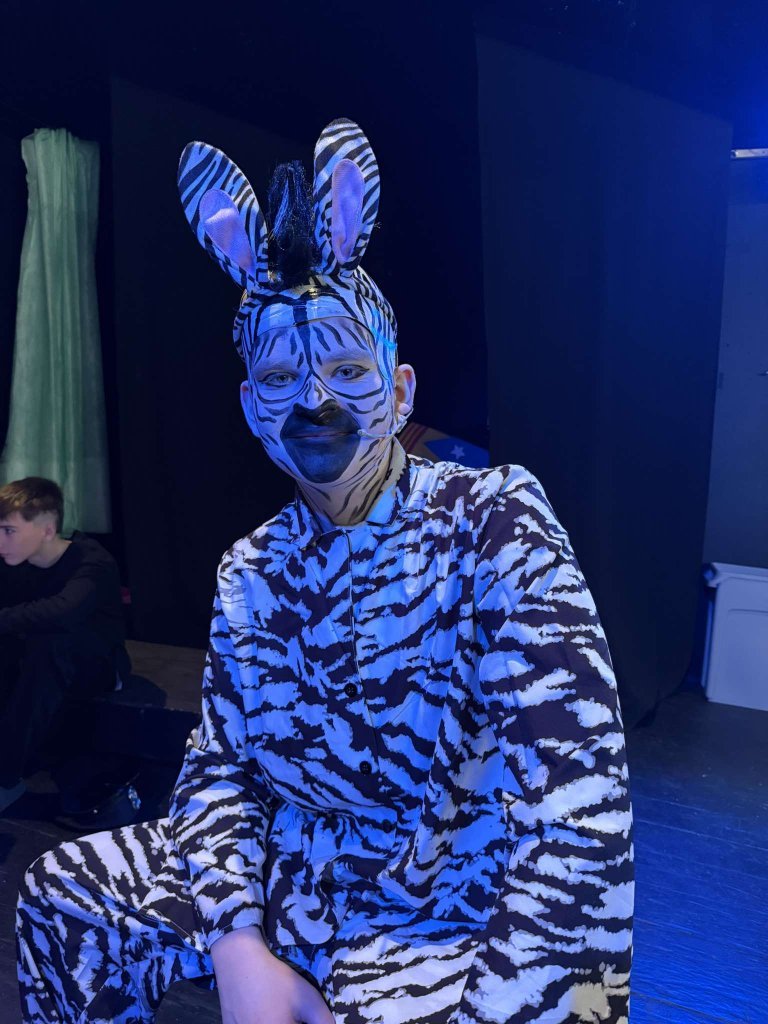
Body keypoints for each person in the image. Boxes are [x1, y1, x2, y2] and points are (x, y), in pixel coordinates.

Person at [16, 119, 633, 1024]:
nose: (314, 400)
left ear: (400, 390)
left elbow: (581, 810)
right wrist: (238, 946)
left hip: (447, 908)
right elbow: (218, 771)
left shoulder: (494, 521)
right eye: (280, 379)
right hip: (294, 880)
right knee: (63, 893)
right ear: (249, 407)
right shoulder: (250, 571)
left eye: (346, 368)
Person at [0, 477, 127, 812]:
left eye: (9, 531)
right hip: (39, 663)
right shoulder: (12, 564)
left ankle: (4, 776)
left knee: (51, 643)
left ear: (47, 530)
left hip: (95, 666)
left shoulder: (91, 561)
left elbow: (62, 612)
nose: (0, 541)